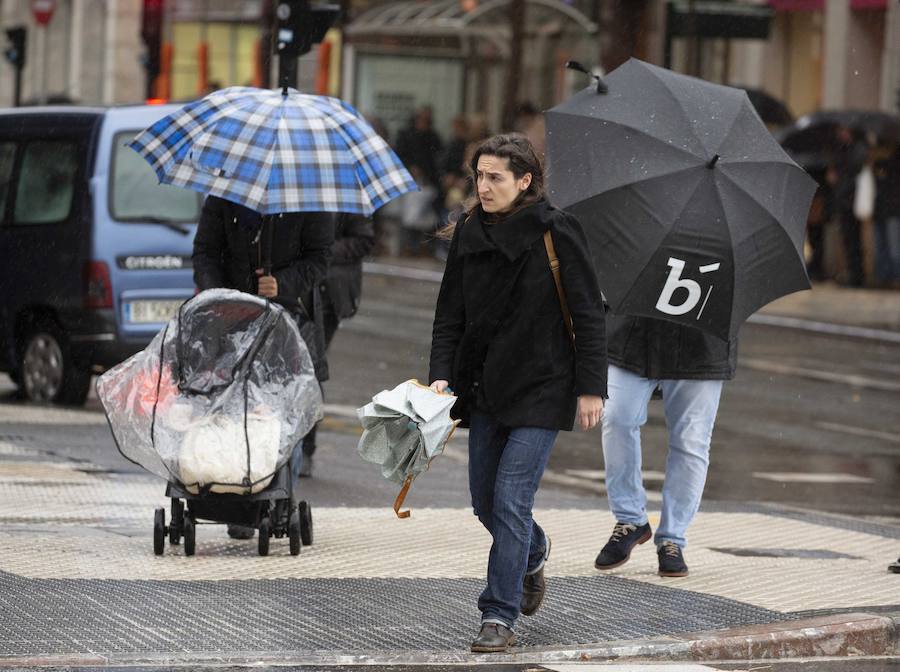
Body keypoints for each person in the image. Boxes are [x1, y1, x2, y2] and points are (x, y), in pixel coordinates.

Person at [428, 134, 607, 653]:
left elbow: (589, 314)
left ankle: (498, 615)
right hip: (483, 386)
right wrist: (441, 374)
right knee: (485, 503)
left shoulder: (556, 231)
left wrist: (591, 387)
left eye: (495, 178)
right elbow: (449, 314)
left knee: (510, 499)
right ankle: (535, 551)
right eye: (479, 176)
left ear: (524, 181)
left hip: (543, 385)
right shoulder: (468, 231)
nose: (483, 187)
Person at [192, 194, 335, 536]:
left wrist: (282, 283)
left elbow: (319, 259)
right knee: (229, 409)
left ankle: (278, 498)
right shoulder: (225, 195)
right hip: (228, 318)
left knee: (283, 414)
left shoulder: (310, 198)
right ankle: (237, 496)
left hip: (288, 321)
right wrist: (220, 293)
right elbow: (205, 252)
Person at [594, 317, 737, 578]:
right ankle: (630, 519)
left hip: (703, 342)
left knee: (691, 441)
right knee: (616, 417)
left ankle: (673, 537)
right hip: (633, 334)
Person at [299, 212, 375, 476]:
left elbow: (363, 240)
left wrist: (323, 251)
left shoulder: (344, 194)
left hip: (328, 294)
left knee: (311, 365)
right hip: (297, 286)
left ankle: (305, 446)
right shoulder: (295, 190)